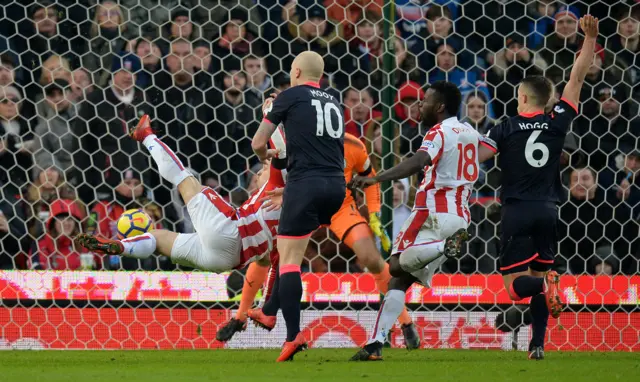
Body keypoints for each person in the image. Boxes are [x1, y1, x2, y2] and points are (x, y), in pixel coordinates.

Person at [217, 133, 420, 350]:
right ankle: (240, 317)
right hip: (303, 204)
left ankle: (406, 323)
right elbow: (278, 169)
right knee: (266, 256)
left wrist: (374, 215)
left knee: (372, 258)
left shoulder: (353, 145)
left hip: (339, 207)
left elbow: (369, 177)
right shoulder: (300, 139)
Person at [477, 15, 599, 361]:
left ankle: (547, 286)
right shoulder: (559, 119)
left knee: (517, 287)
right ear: (548, 100)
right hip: (549, 210)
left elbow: (479, 158)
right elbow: (576, 76)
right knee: (540, 275)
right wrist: (589, 38)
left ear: (523, 97)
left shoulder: (506, 127)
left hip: (516, 210)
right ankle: (538, 346)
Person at [349, 81, 479, 361]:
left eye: (426, 100)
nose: (421, 105)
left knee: (394, 266)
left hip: (430, 213)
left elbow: (419, 161)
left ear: (440, 107)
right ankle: (375, 344)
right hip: (459, 218)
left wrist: (375, 177)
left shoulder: (439, 131)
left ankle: (444, 248)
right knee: (400, 282)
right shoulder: (470, 133)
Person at [75, 114, 287, 274]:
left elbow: (281, 150)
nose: (261, 169)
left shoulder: (278, 182)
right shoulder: (291, 211)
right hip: (225, 262)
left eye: (264, 167)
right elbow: (268, 261)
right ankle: (121, 246)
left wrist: (271, 111)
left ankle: (146, 136)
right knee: (158, 238)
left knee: (187, 181)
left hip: (229, 233)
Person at [250, 51, 346, 362]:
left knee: (289, 260)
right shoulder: (333, 101)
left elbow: (257, 142)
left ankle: (293, 336)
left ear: (296, 71)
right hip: (336, 186)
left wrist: (266, 156)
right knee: (292, 250)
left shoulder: (289, 96)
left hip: (306, 184)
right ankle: (267, 311)